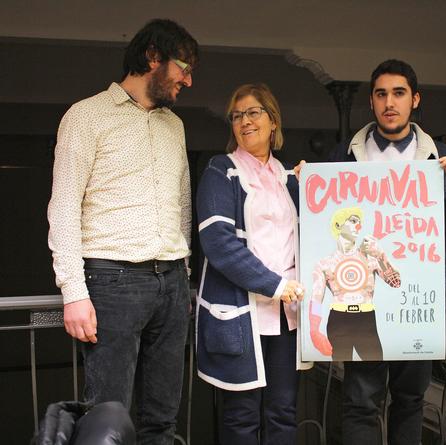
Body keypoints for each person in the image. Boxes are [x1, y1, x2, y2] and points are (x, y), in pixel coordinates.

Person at [47, 19, 198, 444]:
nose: (189, 80)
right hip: (112, 281)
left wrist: (183, 273)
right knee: (106, 419)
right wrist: (73, 291)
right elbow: (63, 206)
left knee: (162, 420)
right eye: (184, 68)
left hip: (172, 280)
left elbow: (181, 203)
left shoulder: (175, 125)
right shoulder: (85, 116)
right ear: (153, 57)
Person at [329, 59, 446, 445]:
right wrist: (304, 183)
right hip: (360, 301)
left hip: (419, 302)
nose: (389, 102)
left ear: (415, 99)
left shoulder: (441, 157)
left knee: (411, 401)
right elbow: (325, 225)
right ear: (371, 101)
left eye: (398, 93)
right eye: (381, 94)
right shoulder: (344, 157)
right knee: (360, 402)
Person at [195, 83, 309, 445]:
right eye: (237, 115)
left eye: (253, 112)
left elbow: (323, 228)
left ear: (273, 121)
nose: (245, 121)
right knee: (241, 418)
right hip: (242, 315)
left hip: (287, 316)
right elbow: (219, 244)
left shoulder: (290, 177)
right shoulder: (220, 171)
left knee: (283, 413)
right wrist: (276, 285)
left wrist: (314, 186)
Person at [310, 206, 401, 361]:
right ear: (338, 225)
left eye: (359, 222)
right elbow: (316, 299)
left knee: (374, 366)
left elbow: (396, 283)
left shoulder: (370, 256)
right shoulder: (324, 264)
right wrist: (314, 330)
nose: (358, 226)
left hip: (366, 318)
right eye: (353, 221)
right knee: (342, 366)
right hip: (338, 319)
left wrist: (380, 254)